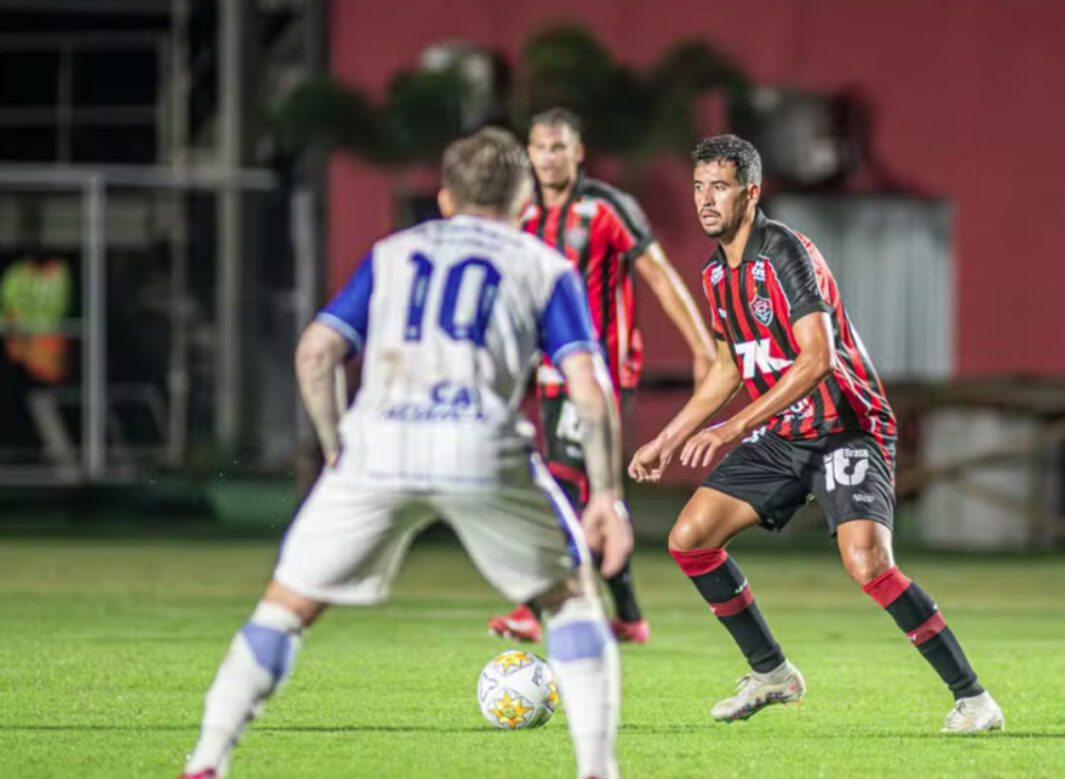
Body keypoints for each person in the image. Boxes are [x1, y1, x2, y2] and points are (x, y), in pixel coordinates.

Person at [177, 127, 631, 779]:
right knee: (571, 600)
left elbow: (316, 352)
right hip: (482, 446)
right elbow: (590, 388)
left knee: (285, 608)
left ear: (445, 198)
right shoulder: (544, 265)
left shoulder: (393, 254)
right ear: (524, 201)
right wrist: (607, 494)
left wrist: (335, 447)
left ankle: (206, 759)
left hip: (378, 447)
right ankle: (596, 770)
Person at [628, 134, 1003, 733]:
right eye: (699, 187)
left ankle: (974, 698)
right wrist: (668, 439)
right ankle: (772, 673)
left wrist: (734, 426)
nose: (705, 200)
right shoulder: (715, 274)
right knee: (691, 539)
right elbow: (728, 368)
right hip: (783, 433)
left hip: (845, 427)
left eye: (719, 187)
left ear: (751, 193)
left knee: (867, 563)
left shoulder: (785, 253)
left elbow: (818, 359)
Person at [488, 107, 716, 645]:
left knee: (566, 483)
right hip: (549, 374)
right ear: (529, 154)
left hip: (602, 373)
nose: (549, 158)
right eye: (540, 148)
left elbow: (659, 276)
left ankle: (532, 606)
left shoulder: (607, 208)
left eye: (559, 148)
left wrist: (702, 346)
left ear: (578, 152)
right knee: (592, 491)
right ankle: (630, 616)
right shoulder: (523, 213)